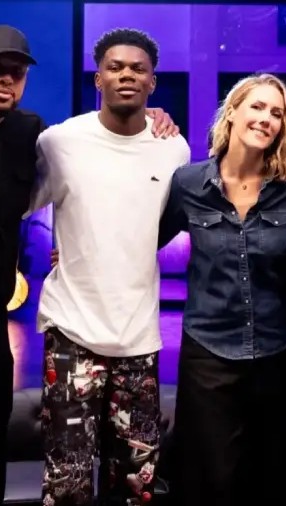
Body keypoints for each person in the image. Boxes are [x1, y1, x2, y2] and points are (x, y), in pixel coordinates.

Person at [0, 24, 175, 506]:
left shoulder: (34, 134)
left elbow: (136, 212)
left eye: (16, 71)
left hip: (0, 331)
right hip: (46, 333)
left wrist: (92, 245)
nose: (7, 79)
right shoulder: (55, 140)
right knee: (64, 485)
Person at [28, 28, 190, 505]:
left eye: (138, 69)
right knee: (67, 484)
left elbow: (157, 225)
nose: (126, 75)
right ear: (98, 78)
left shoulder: (174, 149)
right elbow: (14, 203)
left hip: (139, 339)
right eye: (115, 67)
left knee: (136, 486)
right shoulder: (60, 142)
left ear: (153, 82)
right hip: (72, 333)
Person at [157, 73, 286, 506]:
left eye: (277, 113)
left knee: (278, 480)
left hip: (279, 350)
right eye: (257, 107)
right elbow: (141, 241)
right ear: (232, 112)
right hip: (209, 352)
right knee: (211, 481)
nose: (266, 118)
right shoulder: (189, 183)